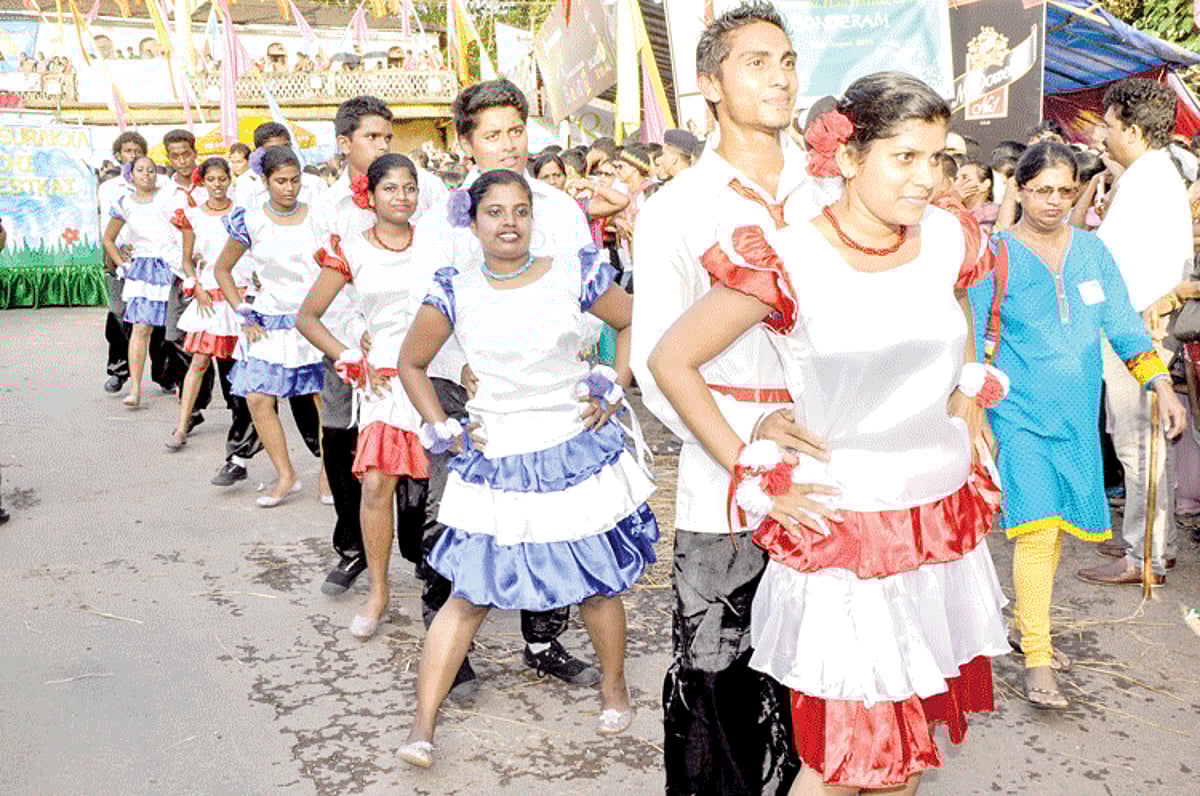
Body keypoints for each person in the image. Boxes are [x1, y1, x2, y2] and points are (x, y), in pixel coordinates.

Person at [649, 71, 1009, 794]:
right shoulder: (791, 259)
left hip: (935, 526)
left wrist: (968, 390)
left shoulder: (946, 236)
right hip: (844, 532)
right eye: (904, 157)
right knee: (846, 763)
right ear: (847, 158)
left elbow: (954, 315)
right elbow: (670, 360)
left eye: (937, 158)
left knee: (903, 756)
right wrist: (750, 465)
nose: (925, 178)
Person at [629, 3, 833, 792]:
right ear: (710, 84)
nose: (780, 77)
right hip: (726, 476)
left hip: (831, 463)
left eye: (786, 60)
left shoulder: (832, 193)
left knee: (826, 669)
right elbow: (658, 364)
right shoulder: (678, 209)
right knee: (721, 673)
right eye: (757, 62)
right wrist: (751, 440)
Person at [395, 170, 655, 769]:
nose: (509, 223)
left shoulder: (575, 272)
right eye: (494, 213)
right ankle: (422, 725)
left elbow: (633, 319)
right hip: (497, 459)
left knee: (595, 584)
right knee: (468, 595)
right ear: (473, 220)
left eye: (519, 211)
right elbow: (411, 363)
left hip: (571, 448)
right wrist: (443, 424)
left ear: (532, 217)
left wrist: (614, 388)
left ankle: (613, 686)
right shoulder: (454, 289)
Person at [968, 141, 1186, 711]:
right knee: (1037, 531)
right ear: (1018, 188)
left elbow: (1124, 328)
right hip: (1017, 418)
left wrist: (1160, 384)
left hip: (1074, 420)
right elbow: (968, 343)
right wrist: (975, 415)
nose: (1055, 202)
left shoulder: (1093, 253)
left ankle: (1025, 620)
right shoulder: (993, 255)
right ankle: (1038, 655)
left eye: (1066, 191)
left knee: (1057, 528)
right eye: (1042, 190)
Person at [413, 78, 600, 694]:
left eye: (516, 131)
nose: (509, 145)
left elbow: (590, 295)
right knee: (457, 515)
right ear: (466, 143)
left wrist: (586, 362)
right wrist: (462, 360)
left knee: (552, 513)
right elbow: (430, 304)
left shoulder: (560, 207)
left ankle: (543, 638)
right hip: (467, 388)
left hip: (547, 393)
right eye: (492, 135)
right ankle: (450, 643)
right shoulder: (444, 216)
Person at [299, 153, 432, 635]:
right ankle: (378, 592)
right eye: (391, 188)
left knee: (442, 495)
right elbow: (308, 316)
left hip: (439, 378)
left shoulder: (440, 245)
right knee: (377, 483)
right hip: (384, 382)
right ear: (370, 197)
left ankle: (453, 594)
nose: (402, 197)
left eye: (410, 187)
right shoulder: (351, 249)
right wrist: (349, 355)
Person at [1078, 78, 1196, 586]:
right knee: (1144, 443)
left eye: (1107, 125)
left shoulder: (1149, 178)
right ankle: (1151, 544)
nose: (1102, 136)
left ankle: (1143, 556)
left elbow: (1109, 263)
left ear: (1131, 128)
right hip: (1141, 321)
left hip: (1137, 327)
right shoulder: (1152, 173)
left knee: (1138, 445)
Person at [307, 95, 395, 597]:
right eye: (371, 137)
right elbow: (321, 282)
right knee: (340, 440)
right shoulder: (327, 206)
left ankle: (416, 550)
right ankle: (352, 548)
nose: (382, 146)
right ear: (345, 144)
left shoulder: (416, 190)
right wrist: (346, 349)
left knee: (405, 450)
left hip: (400, 345)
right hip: (344, 344)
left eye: (387, 137)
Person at [212, 147, 325, 507]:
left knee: (325, 400)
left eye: (295, 180)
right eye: (280, 181)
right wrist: (241, 309)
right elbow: (222, 269)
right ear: (265, 182)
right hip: (269, 320)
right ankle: (286, 475)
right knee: (259, 397)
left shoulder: (318, 217)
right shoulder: (250, 220)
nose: (289, 188)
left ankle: (328, 474)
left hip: (314, 320)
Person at [166, 157, 244, 450]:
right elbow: (187, 259)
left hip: (239, 293)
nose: (217, 185)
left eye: (222, 179)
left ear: (229, 179)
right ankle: (182, 424)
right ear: (203, 182)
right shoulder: (193, 216)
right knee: (199, 360)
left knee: (240, 362)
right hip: (208, 296)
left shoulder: (242, 214)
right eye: (211, 180)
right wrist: (193, 285)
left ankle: (246, 426)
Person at [102, 156, 176, 409]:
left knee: (175, 332)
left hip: (170, 264)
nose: (146, 174)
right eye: (140, 170)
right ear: (130, 175)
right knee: (140, 329)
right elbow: (109, 239)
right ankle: (135, 389)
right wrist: (121, 263)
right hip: (143, 269)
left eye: (151, 170)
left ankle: (181, 384)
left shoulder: (169, 198)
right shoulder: (124, 202)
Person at [99, 132, 150, 395]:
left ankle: (166, 374)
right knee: (118, 313)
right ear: (118, 155)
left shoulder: (158, 185)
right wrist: (115, 256)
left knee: (154, 318)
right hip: (119, 256)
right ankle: (119, 370)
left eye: (137, 151)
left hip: (150, 258)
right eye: (127, 151)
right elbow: (105, 228)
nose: (132, 155)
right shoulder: (109, 188)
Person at [955, 159, 1000, 234]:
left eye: (965, 178)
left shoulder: (991, 215)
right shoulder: (955, 208)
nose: (957, 183)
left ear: (985, 185)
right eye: (956, 179)